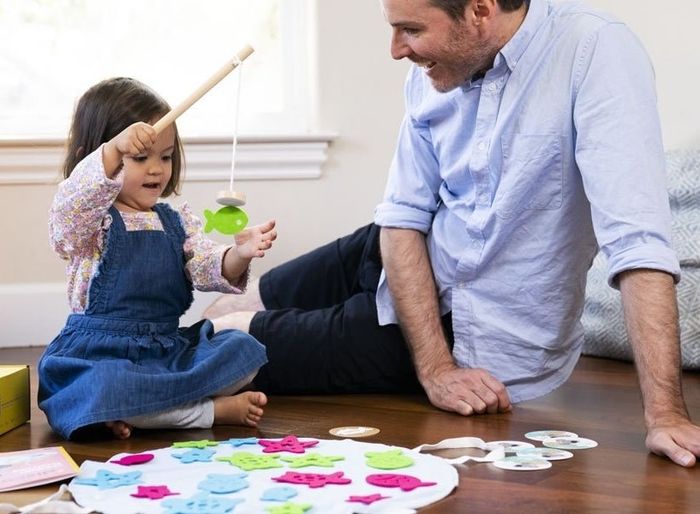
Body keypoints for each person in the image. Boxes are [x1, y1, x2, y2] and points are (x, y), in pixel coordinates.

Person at [206, 0, 700, 467]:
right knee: (228, 303)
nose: (396, 49)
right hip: (394, 249)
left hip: (451, 326)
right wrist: (435, 371)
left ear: (481, 11)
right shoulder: (433, 70)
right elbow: (401, 217)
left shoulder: (595, 53)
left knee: (222, 344)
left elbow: (637, 245)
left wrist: (666, 416)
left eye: (412, 30)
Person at [38, 77, 277, 440]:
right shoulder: (88, 222)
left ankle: (138, 412)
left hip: (165, 349)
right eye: (139, 157)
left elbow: (205, 267)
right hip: (102, 355)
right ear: (99, 156)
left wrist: (239, 254)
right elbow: (71, 205)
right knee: (104, 386)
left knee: (242, 350)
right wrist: (112, 151)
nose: (156, 169)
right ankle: (205, 412)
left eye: (165, 157)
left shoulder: (175, 219)